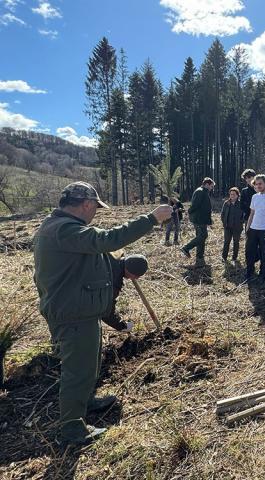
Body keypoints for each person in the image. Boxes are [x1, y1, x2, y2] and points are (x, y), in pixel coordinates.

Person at [33, 182, 172, 446]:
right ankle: (73, 429)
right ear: (86, 204)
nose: (95, 213)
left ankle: (85, 402)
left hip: (81, 311)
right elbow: (107, 240)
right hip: (73, 315)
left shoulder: (59, 229)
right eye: (95, 208)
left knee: (88, 364)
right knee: (77, 371)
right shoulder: (64, 230)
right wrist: (151, 218)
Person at [102, 253, 149, 332]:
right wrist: (123, 326)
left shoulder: (113, 257)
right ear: (129, 270)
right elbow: (105, 312)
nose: (136, 278)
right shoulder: (113, 280)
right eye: (136, 275)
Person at [181, 177, 214, 266]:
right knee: (203, 236)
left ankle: (200, 256)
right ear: (207, 184)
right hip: (199, 219)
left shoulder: (203, 191)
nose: (211, 188)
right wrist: (188, 212)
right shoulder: (200, 191)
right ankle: (186, 248)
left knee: (201, 238)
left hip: (202, 219)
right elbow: (195, 205)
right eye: (211, 186)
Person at [220, 187, 244, 262]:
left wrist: (241, 222)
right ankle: (224, 257)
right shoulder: (226, 203)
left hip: (237, 227)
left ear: (237, 195)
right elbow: (222, 214)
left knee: (236, 242)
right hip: (228, 227)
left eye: (233, 194)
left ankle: (234, 258)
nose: (232, 196)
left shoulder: (241, 203)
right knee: (226, 242)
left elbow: (244, 214)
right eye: (231, 194)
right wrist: (224, 223)